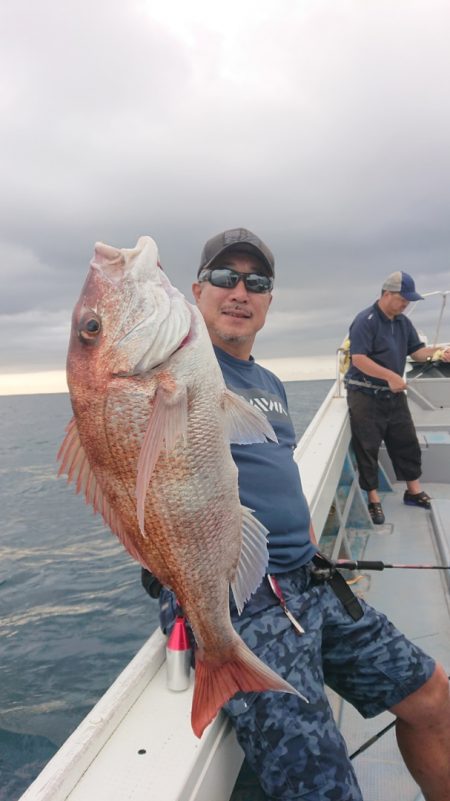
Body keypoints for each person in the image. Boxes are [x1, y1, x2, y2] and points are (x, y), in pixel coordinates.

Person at [142, 231, 450, 801]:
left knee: (433, 696)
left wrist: (312, 547)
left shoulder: (269, 382)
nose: (240, 290)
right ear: (195, 292)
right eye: (224, 277)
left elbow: (281, 475)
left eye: (256, 282)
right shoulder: (170, 376)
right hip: (238, 599)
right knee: (324, 786)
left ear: (269, 300)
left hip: (309, 577)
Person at [345, 271, 450, 525]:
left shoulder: (403, 322)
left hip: (393, 396)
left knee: (406, 442)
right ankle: (373, 500)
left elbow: (417, 352)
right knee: (368, 448)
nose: (406, 304)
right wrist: (390, 376)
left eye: (408, 300)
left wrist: (440, 352)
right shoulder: (365, 320)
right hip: (365, 394)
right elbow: (358, 358)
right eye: (403, 299)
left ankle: (413, 491)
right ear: (387, 294)